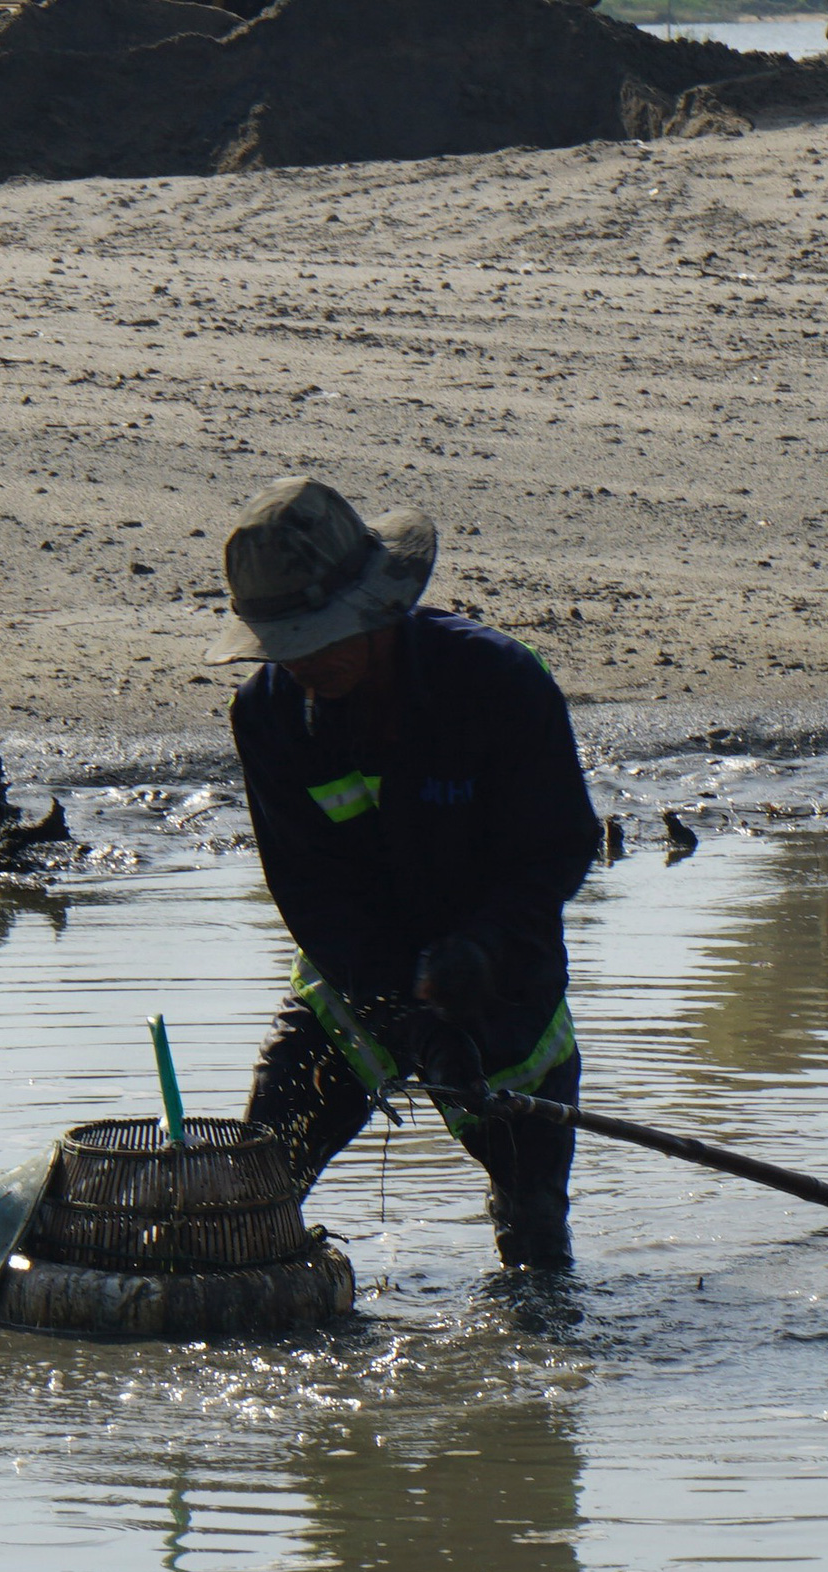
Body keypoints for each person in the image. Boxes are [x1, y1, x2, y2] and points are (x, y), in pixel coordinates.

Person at [205, 476, 600, 1270]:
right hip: (354, 993)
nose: (299, 662)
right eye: (283, 642)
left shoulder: (500, 685)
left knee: (536, 1250)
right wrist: (401, 1015)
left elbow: (558, 846)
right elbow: (313, 896)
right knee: (252, 1196)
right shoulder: (269, 715)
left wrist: (485, 950)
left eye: (316, 637)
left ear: (379, 607)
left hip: (504, 985)